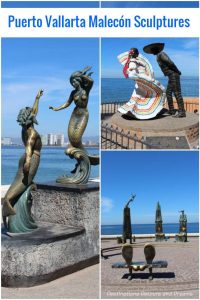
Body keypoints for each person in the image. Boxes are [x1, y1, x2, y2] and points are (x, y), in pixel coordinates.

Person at [2, 90, 43, 220]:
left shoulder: (24, 128)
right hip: (32, 157)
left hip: (23, 156)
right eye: (32, 115)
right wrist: (28, 162)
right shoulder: (32, 133)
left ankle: (8, 201)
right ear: (31, 119)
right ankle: (8, 202)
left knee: (17, 181)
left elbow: (34, 111)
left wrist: (37, 98)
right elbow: (30, 147)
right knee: (23, 183)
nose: (34, 114)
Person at [49, 67, 94, 150]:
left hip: (83, 113)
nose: (73, 83)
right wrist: (56, 109)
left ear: (79, 80)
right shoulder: (73, 92)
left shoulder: (86, 89)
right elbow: (67, 103)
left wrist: (82, 75)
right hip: (75, 113)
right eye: (72, 82)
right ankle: (79, 151)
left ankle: (83, 152)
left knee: (76, 137)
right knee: (71, 137)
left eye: (75, 81)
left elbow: (91, 81)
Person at [143, 42, 186, 118]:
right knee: (168, 93)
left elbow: (170, 63)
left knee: (177, 93)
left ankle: (182, 112)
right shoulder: (158, 56)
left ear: (156, 50)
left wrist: (177, 71)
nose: (152, 52)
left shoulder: (161, 54)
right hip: (170, 76)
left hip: (174, 75)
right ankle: (172, 110)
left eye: (152, 50)